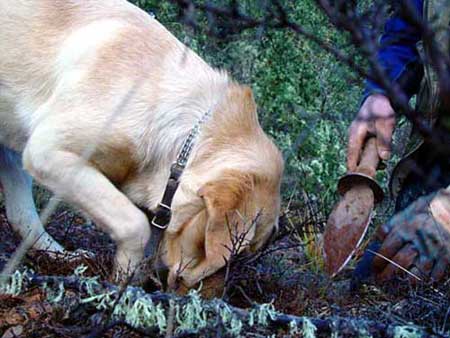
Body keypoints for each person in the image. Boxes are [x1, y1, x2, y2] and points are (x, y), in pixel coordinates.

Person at [349, 0, 450, 282]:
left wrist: (445, 216)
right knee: (376, 280)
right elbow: (406, 33)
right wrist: (382, 93)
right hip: (438, 150)